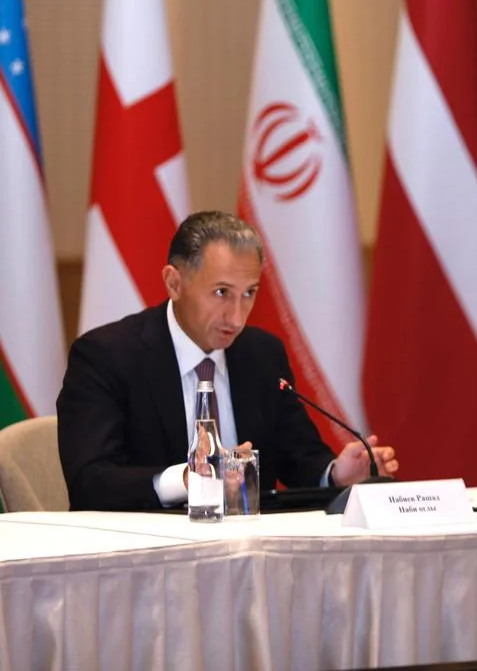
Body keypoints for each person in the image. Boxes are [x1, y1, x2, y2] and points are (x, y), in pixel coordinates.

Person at [57, 210, 398, 511]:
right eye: (222, 292)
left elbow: (299, 457)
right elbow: (91, 481)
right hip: (147, 552)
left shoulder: (262, 355)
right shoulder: (107, 356)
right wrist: (188, 479)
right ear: (174, 283)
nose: (237, 317)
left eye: (249, 293)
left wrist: (335, 474)